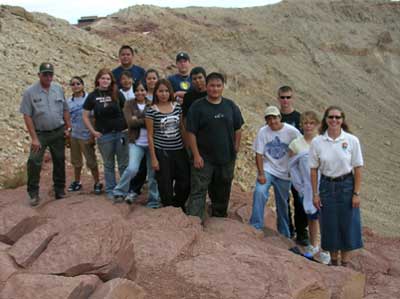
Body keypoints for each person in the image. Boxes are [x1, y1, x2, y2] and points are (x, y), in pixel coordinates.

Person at [310, 106, 364, 266]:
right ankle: (334, 261)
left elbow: (358, 168)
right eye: (331, 117)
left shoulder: (351, 140)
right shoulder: (317, 141)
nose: (334, 120)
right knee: (329, 223)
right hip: (327, 185)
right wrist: (315, 194)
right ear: (325, 119)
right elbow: (313, 170)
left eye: (337, 117)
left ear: (342, 119)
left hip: (347, 184)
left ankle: (345, 262)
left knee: (347, 223)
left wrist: (356, 193)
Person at [186, 72, 244, 222]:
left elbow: (238, 128)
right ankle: (194, 221)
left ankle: (219, 217)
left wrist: (236, 147)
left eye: (218, 86)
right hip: (204, 158)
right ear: (206, 86)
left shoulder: (230, 106)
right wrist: (196, 155)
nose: (215, 89)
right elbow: (190, 132)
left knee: (223, 188)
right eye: (212, 85)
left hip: (226, 157)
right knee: (199, 189)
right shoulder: (197, 107)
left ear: (223, 87)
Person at [19, 62, 71, 206]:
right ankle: (33, 193)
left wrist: (68, 128)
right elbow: (27, 115)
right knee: (34, 161)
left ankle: (59, 189)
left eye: (50, 74)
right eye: (45, 74)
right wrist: (34, 138)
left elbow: (65, 109)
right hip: (40, 134)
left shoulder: (58, 89)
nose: (48, 77)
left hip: (58, 131)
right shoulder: (30, 92)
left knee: (60, 160)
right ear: (39, 75)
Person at [249, 106, 301, 237]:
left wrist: (294, 170)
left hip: (285, 172)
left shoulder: (292, 132)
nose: (272, 121)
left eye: (275, 118)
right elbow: (259, 154)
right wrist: (261, 173)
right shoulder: (263, 132)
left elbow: (302, 149)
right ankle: (256, 225)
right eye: (269, 119)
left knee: (282, 202)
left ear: (280, 117)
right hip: (268, 168)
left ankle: (284, 232)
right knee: (260, 192)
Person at [288, 111, 330, 264]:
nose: (308, 126)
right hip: (306, 186)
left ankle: (326, 250)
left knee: (325, 218)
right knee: (312, 217)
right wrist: (298, 185)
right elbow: (292, 166)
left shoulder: (323, 142)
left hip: (324, 184)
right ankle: (313, 245)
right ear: (301, 125)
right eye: (306, 123)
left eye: (312, 123)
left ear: (317, 125)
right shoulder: (296, 144)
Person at [112, 80, 160, 206]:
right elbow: (130, 122)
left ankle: (153, 200)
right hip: (136, 143)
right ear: (134, 91)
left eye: (142, 90)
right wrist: (145, 120)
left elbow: (154, 122)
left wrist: (137, 118)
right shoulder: (129, 104)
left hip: (151, 144)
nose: (140, 92)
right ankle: (119, 191)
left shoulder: (152, 104)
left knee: (152, 173)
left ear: (146, 91)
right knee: (132, 168)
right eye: (137, 90)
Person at [83, 68, 128, 200]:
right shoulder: (92, 96)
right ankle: (111, 190)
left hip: (120, 133)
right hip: (104, 135)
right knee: (108, 164)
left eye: (108, 79)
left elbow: (127, 111)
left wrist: (128, 128)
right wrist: (93, 132)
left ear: (111, 81)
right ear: (98, 80)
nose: (105, 81)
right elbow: (85, 116)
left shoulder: (117, 93)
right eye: (103, 78)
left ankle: (123, 190)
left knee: (123, 164)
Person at [145, 79, 190, 210]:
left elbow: (182, 128)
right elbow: (150, 135)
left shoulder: (177, 107)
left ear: (170, 92)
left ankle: (179, 204)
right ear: (156, 93)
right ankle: (168, 208)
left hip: (179, 149)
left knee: (185, 181)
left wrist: (187, 148)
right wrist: (153, 158)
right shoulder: (151, 110)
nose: (163, 94)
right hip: (162, 151)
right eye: (160, 91)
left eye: (166, 91)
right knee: (165, 183)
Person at [278, 85, 309, 245]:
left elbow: (307, 139)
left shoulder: (299, 118)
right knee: (282, 198)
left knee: (299, 199)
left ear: (293, 98)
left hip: (298, 166)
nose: (285, 100)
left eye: (288, 97)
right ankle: (287, 229)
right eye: (282, 97)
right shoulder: (274, 117)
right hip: (280, 165)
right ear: (278, 99)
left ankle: (302, 232)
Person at [66, 76, 102, 194]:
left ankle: (97, 182)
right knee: (76, 161)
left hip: (86, 134)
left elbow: (95, 118)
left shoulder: (89, 98)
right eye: (73, 84)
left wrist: (93, 134)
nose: (75, 86)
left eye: (78, 83)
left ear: (82, 85)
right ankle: (77, 181)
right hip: (74, 135)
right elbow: (67, 118)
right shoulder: (68, 102)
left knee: (91, 161)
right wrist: (67, 134)